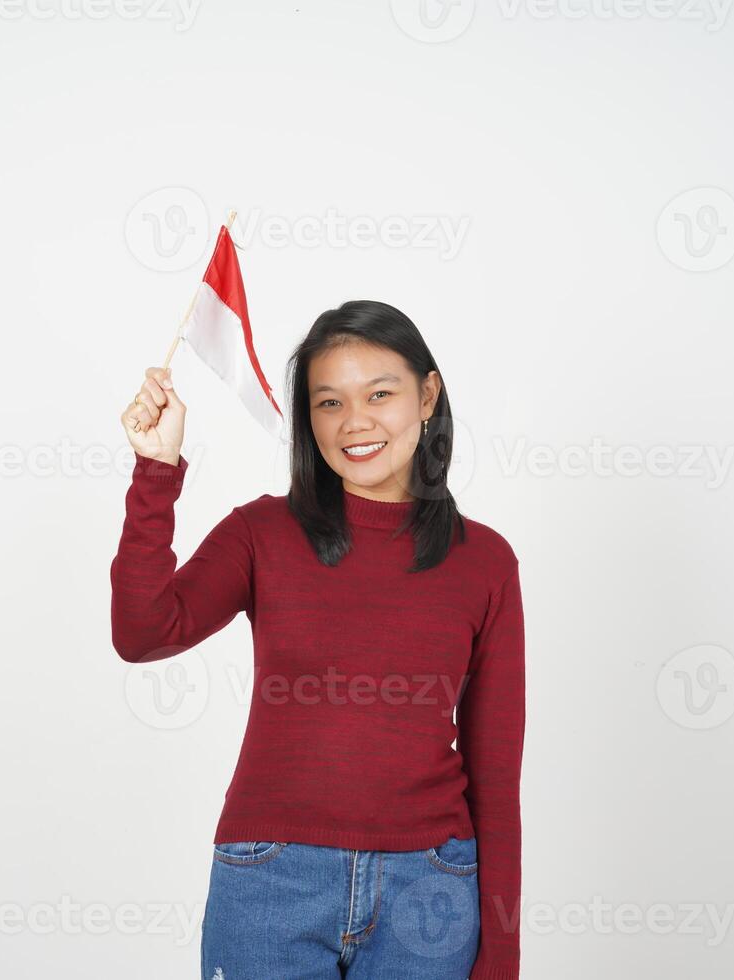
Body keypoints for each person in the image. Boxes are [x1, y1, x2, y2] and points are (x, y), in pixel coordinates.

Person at [111, 300, 525, 980]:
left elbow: (496, 777)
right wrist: (156, 472)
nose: (354, 422)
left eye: (379, 394)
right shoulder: (261, 534)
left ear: (427, 396)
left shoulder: (484, 562)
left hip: (431, 891)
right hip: (271, 879)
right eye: (328, 402)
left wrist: (500, 956)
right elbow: (145, 632)